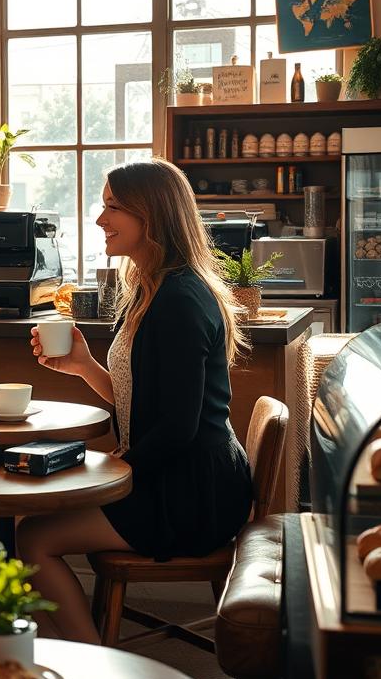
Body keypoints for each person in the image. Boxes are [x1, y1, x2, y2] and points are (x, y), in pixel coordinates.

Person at [17, 159, 253, 643]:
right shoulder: (154, 288)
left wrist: (117, 466)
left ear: (154, 215)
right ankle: (66, 656)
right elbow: (143, 402)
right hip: (179, 475)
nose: (101, 219)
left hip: (189, 494)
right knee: (29, 529)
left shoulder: (179, 302)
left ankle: (98, 663)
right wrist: (84, 366)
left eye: (113, 208)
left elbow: (178, 427)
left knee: (33, 538)